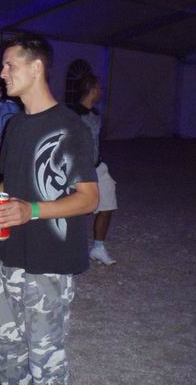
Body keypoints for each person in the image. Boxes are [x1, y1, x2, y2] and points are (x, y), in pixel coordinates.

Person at [0, 34, 99, 384]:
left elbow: (89, 198)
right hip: (8, 255)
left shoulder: (70, 126)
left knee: (45, 363)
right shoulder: (15, 125)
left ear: (36, 67)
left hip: (50, 262)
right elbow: (13, 184)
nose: (2, 73)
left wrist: (32, 211)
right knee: (5, 358)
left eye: (10, 65)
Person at [70, 73, 118, 265]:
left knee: (107, 205)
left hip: (97, 166)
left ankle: (98, 247)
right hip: (78, 170)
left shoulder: (96, 113)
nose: (101, 92)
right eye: (100, 88)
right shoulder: (73, 114)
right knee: (74, 211)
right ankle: (68, 250)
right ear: (92, 89)